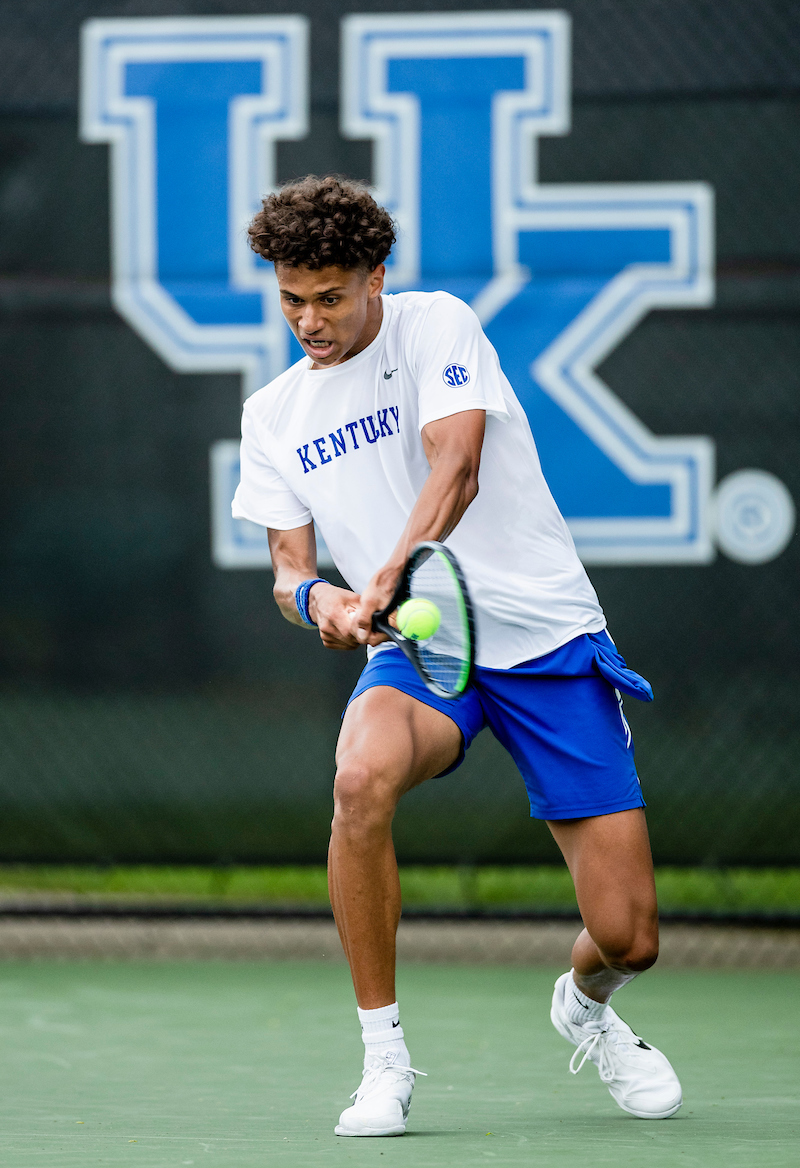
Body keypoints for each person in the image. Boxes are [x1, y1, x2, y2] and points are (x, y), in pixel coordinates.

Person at [233, 175, 682, 1137]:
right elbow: (286, 568)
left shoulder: (435, 325)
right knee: (359, 778)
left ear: (375, 279)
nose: (309, 320)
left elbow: (458, 464)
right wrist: (325, 601)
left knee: (629, 935)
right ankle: (383, 1062)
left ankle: (589, 1006)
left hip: (548, 639)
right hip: (424, 653)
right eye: (290, 298)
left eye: (330, 296)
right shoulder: (272, 415)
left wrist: (392, 567)